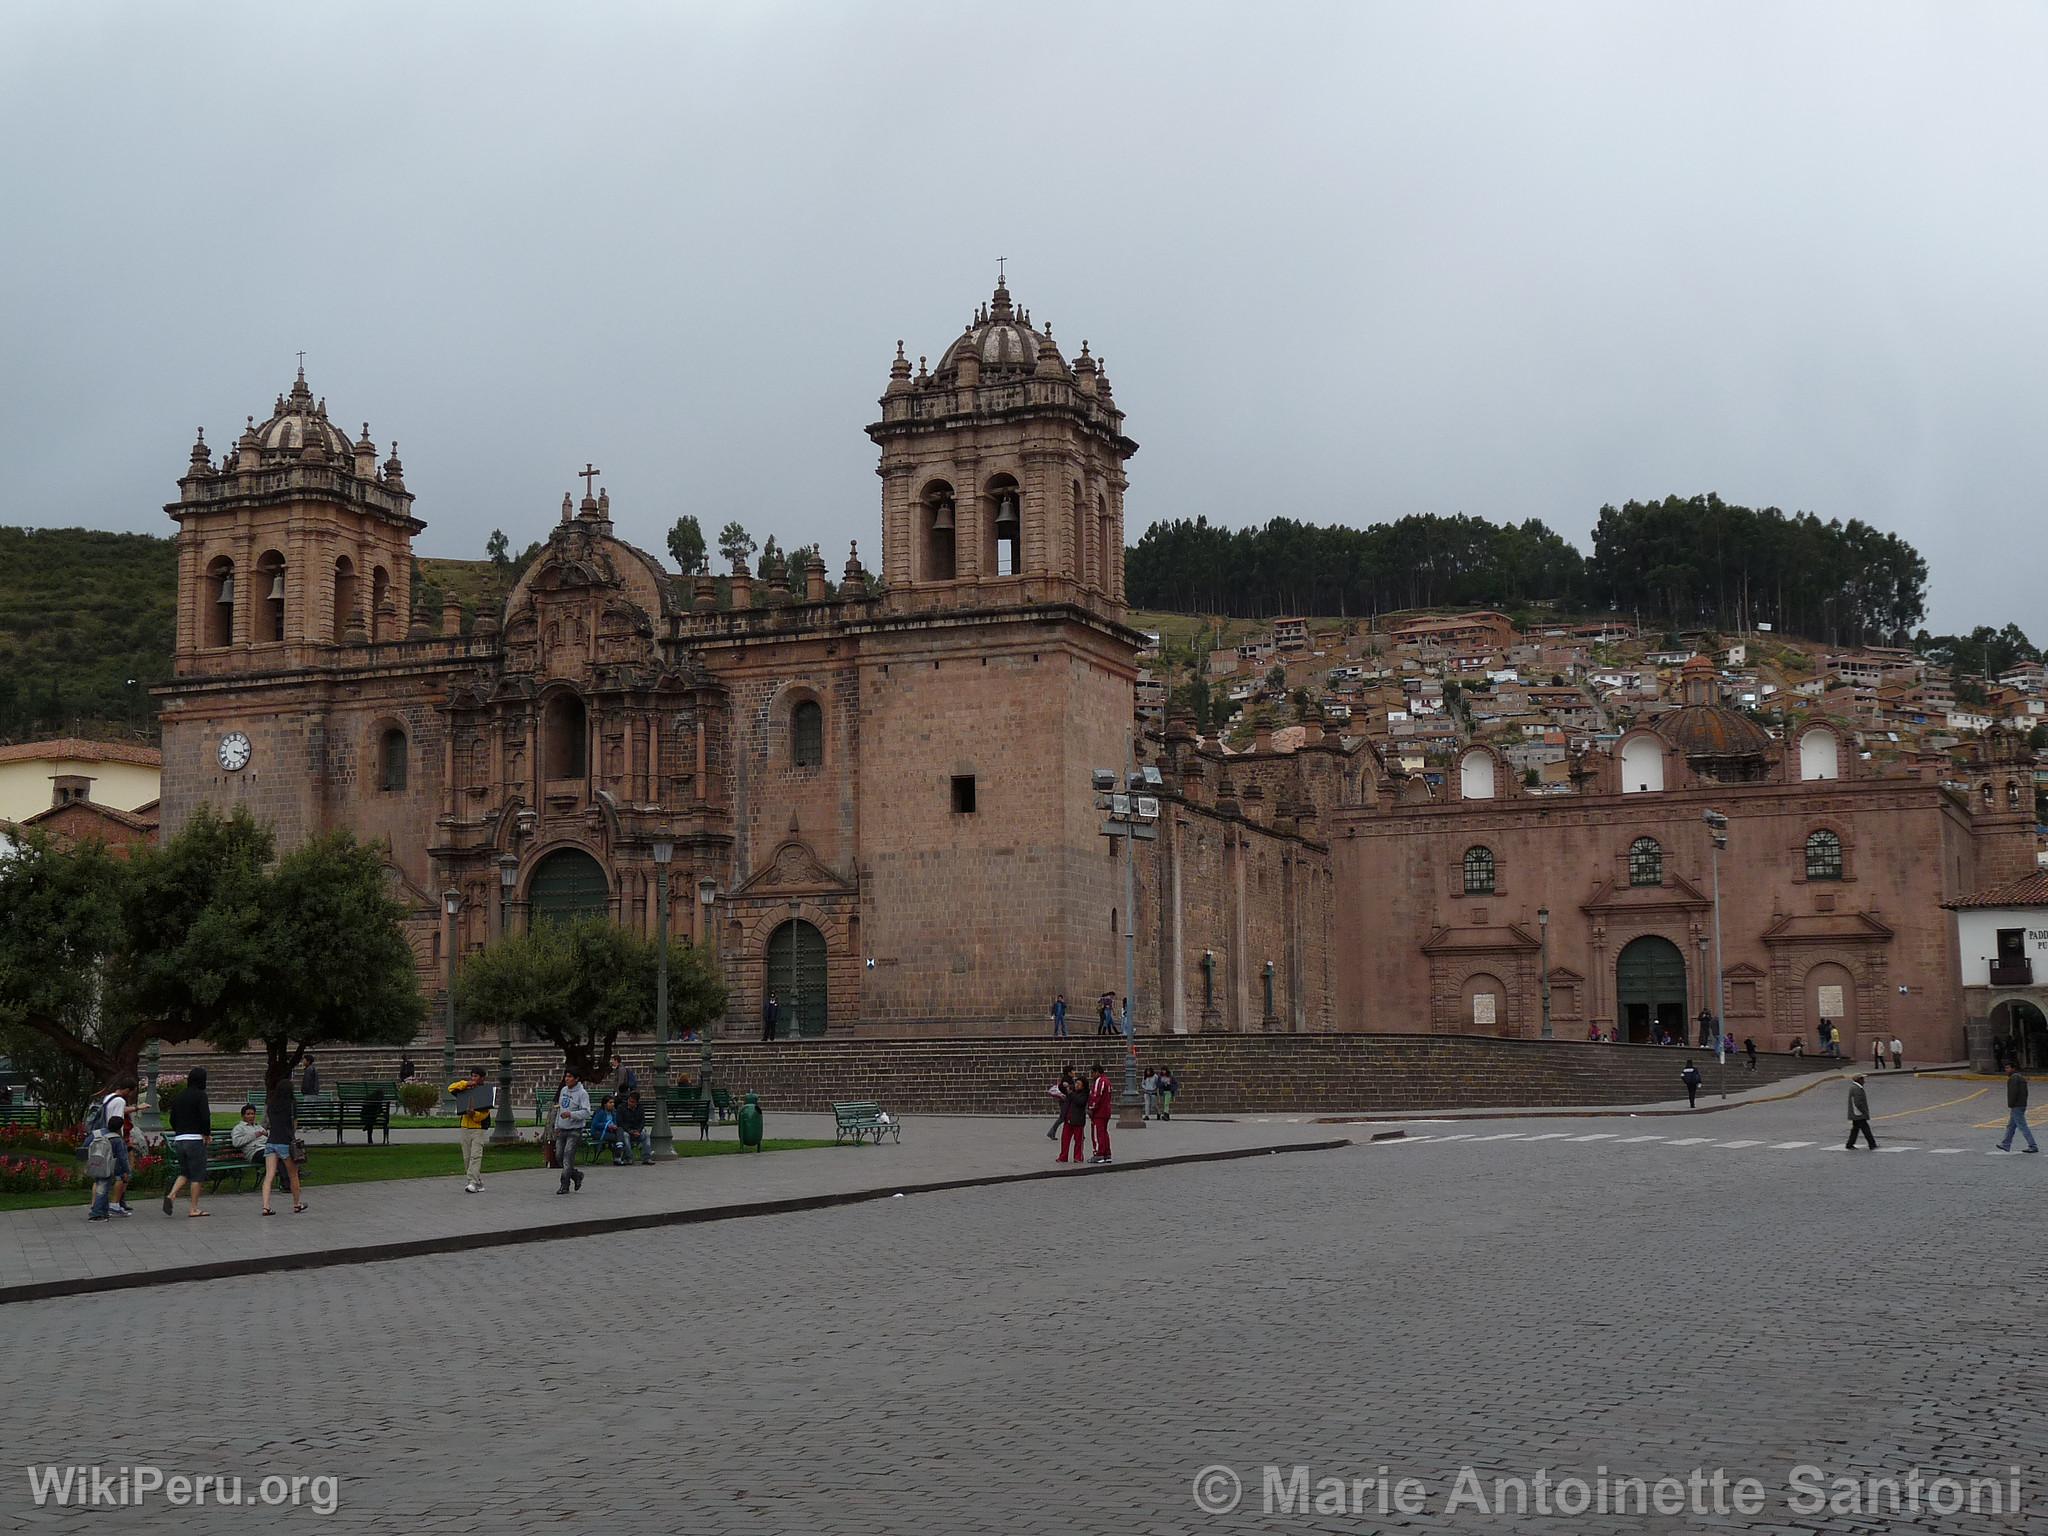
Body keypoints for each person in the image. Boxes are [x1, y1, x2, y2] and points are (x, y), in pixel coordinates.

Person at [163, 1065, 211, 1218]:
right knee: (197, 1175)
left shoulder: (179, 1096)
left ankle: (172, 1194)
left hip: (179, 1139)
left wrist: (179, 1130)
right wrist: (206, 1134)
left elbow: (172, 1118)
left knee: (185, 1172)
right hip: (195, 1139)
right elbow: (205, 1117)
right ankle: (194, 1208)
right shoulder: (201, 1095)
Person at [86, 1079, 136, 1221]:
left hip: (98, 1160)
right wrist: (126, 1171)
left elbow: (87, 1143)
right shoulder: (117, 1139)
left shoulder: (99, 1132)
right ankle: (97, 1213)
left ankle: (97, 1209)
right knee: (104, 1187)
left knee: (100, 1184)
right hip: (108, 1161)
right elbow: (122, 1156)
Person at [261, 1064, 306, 1215]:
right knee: (293, 1174)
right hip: (286, 1142)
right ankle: (296, 1203)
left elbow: (267, 1123)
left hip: (271, 1142)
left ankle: (266, 1206)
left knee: (269, 1175)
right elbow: (294, 1126)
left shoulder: (271, 1104)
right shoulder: (292, 1105)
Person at [450, 1066, 493, 1193]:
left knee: (475, 1156)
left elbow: (484, 1114)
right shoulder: (465, 1089)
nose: (473, 1078)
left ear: (482, 1078)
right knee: (467, 1157)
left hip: (477, 1129)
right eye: (472, 1076)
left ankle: (472, 1183)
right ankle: (478, 1182)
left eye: (476, 1076)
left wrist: (473, 1114)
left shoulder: (485, 1092)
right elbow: (451, 1088)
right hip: (465, 1127)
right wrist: (465, 1084)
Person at [553, 1069, 591, 1194]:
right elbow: (560, 1109)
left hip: (574, 1130)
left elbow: (586, 1112)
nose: (567, 1079)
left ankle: (564, 1184)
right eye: (566, 1076)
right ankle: (576, 1175)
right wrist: (556, 1126)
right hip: (562, 1128)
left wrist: (571, 1114)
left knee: (567, 1157)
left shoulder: (582, 1093)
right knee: (559, 1156)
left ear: (577, 1079)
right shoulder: (563, 1090)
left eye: (570, 1077)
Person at [1997, 1065, 2038, 1153]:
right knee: (2011, 1126)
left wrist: (2011, 1104)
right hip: (2020, 1104)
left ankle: (2033, 1145)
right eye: (2005, 1068)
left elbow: (2013, 1093)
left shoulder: (2014, 1078)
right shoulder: (2020, 1077)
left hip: (2017, 1106)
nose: (2006, 1070)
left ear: (2013, 1069)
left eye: (2008, 1068)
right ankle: (2005, 1144)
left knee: (2022, 1126)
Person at [1056, 1070, 1088, 1164]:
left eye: (1079, 1084)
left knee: (1078, 1141)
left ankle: (1078, 1157)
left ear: (1083, 1085)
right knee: (1065, 1140)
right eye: (1076, 1083)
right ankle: (1063, 1157)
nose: (1077, 1085)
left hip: (1078, 1121)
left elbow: (1080, 1102)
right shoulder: (1072, 1090)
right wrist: (1062, 1084)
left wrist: (1071, 1094)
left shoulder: (1084, 1094)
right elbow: (1062, 1088)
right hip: (1068, 1119)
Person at [1088, 1060, 1114, 1165]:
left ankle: (1099, 1154)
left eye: (1092, 1073)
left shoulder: (1100, 1081)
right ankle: (1107, 1153)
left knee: (1098, 1133)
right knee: (1104, 1133)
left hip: (1099, 1112)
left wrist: (1091, 1107)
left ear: (1097, 1072)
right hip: (1106, 1110)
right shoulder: (1107, 1081)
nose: (1092, 1076)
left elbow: (1096, 1096)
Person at [588, 1095, 625, 1165]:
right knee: (617, 1138)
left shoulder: (613, 1113)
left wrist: (614, 1127)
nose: (612, 1104)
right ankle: (618, 1155)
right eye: (610, 1103)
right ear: (605, 1104)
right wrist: (607, 1126)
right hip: (598, 1132)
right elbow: (595, 1124)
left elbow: (615, 1123)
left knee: (620, 1130)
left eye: (613, 1103)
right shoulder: (600, 1113)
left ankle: (619, 1146)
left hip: (610, 1132)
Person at [618, 1090, 651, 1164]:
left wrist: (638, 1131)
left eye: (632, 1102)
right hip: (626, 1130)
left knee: (646, 1136)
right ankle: (628, 1158)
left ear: (636, 1102)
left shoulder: (640, 1108)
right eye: (629, 1101)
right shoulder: (621, 1108)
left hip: (636, 1131)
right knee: (625, 1136)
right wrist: (629, 1131)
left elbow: (642, 1121)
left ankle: (647, 1158)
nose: (630, 1103)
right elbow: (620, 1122)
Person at [1845, 1073, 1876, 1150]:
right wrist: (1864, 1112)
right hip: (1858, 1113)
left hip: (1856, 1113)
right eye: (1862, 1079)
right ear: (1858, 1080)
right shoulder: (1856, 1089)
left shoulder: (1855, 1087)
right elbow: (1858, 1102)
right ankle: (1872, 1144)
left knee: (1855, 1129)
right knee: (1866, 1129)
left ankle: (1850, 1144)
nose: (1864, 1081)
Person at [1046, 1068, 1071, 1142]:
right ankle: (1051, 1132)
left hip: (1065, 1101)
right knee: (1062, 1118)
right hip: (1064, 1102)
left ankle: (1052, 1132)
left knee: (1067, 1117)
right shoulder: (1065, 1081)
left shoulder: (1067, 1080)